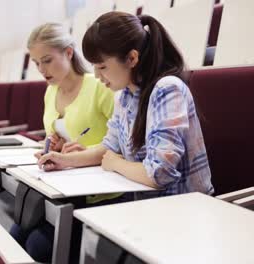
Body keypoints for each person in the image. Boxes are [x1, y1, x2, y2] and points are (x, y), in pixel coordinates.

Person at [38, 11, 214, 199]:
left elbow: (159, 174)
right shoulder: (124, 95)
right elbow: (109, 148)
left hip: (183, 208)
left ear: (132, 58)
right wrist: (63, 161)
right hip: (147, 207)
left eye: (102, 67)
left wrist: (116, 164)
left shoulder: (167, 89)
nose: (97, 76)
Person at [10, 22, 122, 263]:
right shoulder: (50, 92)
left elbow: (123, 143)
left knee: (36, 246)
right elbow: (53, 138)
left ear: (69, 53)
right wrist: (53, 145)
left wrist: (76, 156)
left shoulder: (100, 86)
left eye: (47, 60)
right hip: (63, 188)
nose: (41, 69)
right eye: (37, 63)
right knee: (14, 235)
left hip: (99, 191)